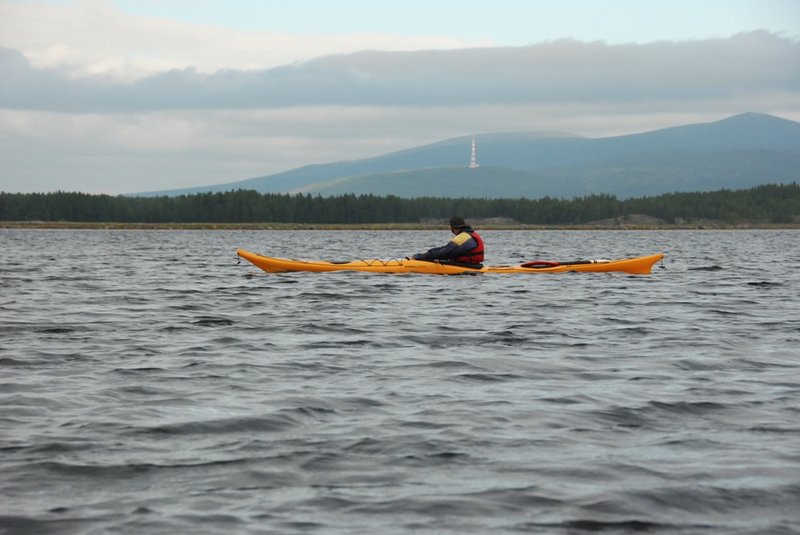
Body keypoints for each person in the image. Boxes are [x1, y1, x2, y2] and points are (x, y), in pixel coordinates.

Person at [411, 216, 485, 265]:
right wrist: (429, 253)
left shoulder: (463, 237)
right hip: (471, 266)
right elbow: (446, 249)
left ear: (453, 228)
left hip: (467, 268)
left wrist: (423, 256)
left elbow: (445, 252)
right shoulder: (469, 235)